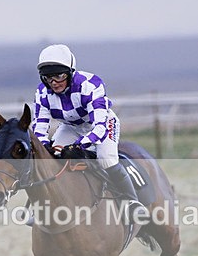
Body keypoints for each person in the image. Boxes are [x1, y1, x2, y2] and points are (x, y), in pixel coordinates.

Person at [32, 44, 147, 223]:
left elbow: (99, 127)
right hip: (70, 126)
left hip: (102, 123)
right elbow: (39, 127)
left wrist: (78, 146)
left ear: (70, 73)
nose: (53, 82)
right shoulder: (42, 92)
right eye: (48, 77)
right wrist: (46, 146)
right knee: (48, 160)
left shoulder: (90, 85)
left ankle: (132, 202)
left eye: (59, 76)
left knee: (106, 159)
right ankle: (42, 206)